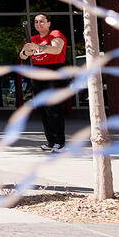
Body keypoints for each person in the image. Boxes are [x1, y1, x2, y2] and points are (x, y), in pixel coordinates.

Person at [21, 13, 69, 152]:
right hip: (38, 73)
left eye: (42, 21)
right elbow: (22, 55)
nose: (38, 24)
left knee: (55, 109)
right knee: (43, 109)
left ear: (48, 23)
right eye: (36, 22)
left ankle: (60, 142)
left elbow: (56, 49)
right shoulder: (33, 39)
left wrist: (38, 47)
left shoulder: (55, 34)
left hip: (55, 72)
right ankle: (50, 141)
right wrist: (26, 53)